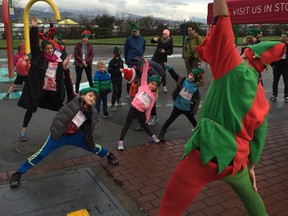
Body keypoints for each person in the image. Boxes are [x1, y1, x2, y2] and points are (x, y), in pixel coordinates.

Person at [159, 0, 286, 215]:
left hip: (205, 154)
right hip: (236, 161)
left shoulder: (232, 67)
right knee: (253, 200)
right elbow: (259, 137)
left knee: (170, 205)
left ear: (250, 54)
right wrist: (252, 166)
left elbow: (223, 23)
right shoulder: (261, 97)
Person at [9, 87, 119, 189]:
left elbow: (91, 125)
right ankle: (18, 173)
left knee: (92, 146)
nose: (92, 99)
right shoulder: (74, 102)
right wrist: (65, 70)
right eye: (90, 95)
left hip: (75, 135)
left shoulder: (92, 112)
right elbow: (68, 86)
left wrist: (89, 133)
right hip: (59, 135)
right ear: (83, 95)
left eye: (94, 98)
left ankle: (109, 154)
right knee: (42, 153)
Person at [17, 16, 74, 142]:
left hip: (52, 91)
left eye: (51, 48)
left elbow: (61, 74)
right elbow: (33, 43)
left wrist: (65, 66)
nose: (49, 50)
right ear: (43, 50)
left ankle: (65, 128)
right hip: (39, 90)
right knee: (30, 109)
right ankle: (23, 131)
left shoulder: (57, 60)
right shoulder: (39, 57)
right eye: (47, 49)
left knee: (61, 109)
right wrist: (34, 27)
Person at [116, 58, 161, 151]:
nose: (152, 86)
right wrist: (146, 64)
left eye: (155, 85)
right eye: (152, 83)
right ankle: (120, 141)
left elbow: (150, 107)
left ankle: (152, 136)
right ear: (148, 82)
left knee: (145, 125)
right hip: (133, 109)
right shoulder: (144, 85)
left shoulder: (153, 96)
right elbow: (144, 74)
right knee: (127, 125)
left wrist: (148, 117)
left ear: (156, 87)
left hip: (141, 112)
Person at [158, 64, 201, 142]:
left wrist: (193, 109)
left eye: (193, 76)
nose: (191, 77)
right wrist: (169, 67)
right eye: (191, 74)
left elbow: (196, 100)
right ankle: (162, 133)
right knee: (170, 119)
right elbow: (174, 75)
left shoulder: (195, 88)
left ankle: (200, 134)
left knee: (194, 122)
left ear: (195, 79)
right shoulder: (183, 80)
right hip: (178, 106)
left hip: (187, 109)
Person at [124, 22, 146, 97]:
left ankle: (138, 90)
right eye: (133, 31)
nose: (134, 33)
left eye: (136, 31)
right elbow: (125, 50)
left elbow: (143, 49)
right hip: (131, 60)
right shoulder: (129, 39)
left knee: (139, 76)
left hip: (139, 60)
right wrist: (127, 60)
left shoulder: (142, 39)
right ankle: (128, 91)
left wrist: (141, 57)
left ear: (139, 31)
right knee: (130, 76)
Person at [151, 29, 173, 93]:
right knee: (152, 70)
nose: (163, 35)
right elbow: (152, 41)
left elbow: (171, 52)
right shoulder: (160, 38)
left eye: (165, 34)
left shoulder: (170, 42)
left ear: (168, 35)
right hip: (155, 57)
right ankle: (151, 84)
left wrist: (165, 52)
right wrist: (153, 39)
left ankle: (164, 87)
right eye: (163, 33)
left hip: (162, 59)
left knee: (162, 72)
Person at [269, 33, 288, 102]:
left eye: (284, 37)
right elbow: (272, 55)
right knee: (275, 81)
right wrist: (272, 64)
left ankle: (286, 95)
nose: (282, 38)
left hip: (286, 67)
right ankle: (274, 95)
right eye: (282, 37)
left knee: (286, 82)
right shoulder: (277, 46)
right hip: (277, 66)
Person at [108, 47, 124, 111]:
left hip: (119, 78)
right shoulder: (111, 62)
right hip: (114, 78)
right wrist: (118, 70)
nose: (118, 56)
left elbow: (122, 68)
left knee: (120, 90)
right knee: (115, 91)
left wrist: (123, 70)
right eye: (117, 55)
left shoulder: (121, 61)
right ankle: (113, 104)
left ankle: (118, 98)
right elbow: (110, 71)